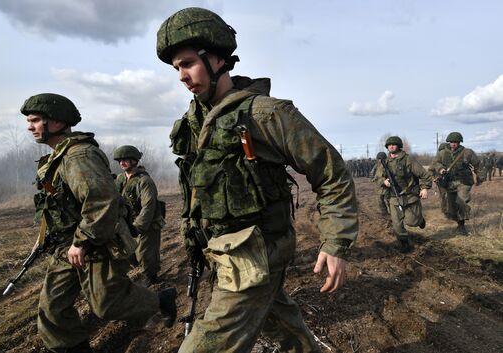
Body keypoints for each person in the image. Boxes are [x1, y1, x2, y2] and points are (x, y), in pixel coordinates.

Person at [156, 7, 358, 353]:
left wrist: (335, 243)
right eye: (176, 68)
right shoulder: (193, 123)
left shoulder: (264, 114)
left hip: (259, 252)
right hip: (225, 253)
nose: (181, 76)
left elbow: (331, 173)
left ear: (217, 59)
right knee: (280, 322)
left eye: (188, 63)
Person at [21, 93, 176, 353]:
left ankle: (160, 300)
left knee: (106, 305)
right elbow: (57, 205)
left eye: (36, 120)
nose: (30, 126)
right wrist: (44, 236)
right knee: (53, 311)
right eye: (29, 121)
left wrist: (82, 242)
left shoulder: (78, 156)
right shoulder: (57, 159)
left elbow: (101, 201)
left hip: (92, 244)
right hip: (67, 247)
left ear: (57, 122)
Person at [113, 145, 165, 287]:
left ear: (134, 161)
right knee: (129, 253)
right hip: (129, 223)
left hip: (148, 223)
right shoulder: (119, 179)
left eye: (125, 159)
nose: (122, 163)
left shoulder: (144, 181)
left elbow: (148, 206)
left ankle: (152, 278)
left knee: (146, 253)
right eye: (120, 160)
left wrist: (138, 227)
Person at [374, 136, 432, 253]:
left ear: (399, 146)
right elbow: (376, 178)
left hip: (410, 196)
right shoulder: (383, 162)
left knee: (412, 222)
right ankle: (404, 243)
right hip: (394, 197)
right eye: (389, 145)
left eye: (394, 144)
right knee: (397, 224)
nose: (391, 146)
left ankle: (420, 220)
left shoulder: (408, 160)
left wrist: (424, 188)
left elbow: (425, 175)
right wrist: (383, 181)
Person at [433, 132, 485, 235]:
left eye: (456, 142)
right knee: (451, 208)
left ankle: (462, 225)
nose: (453, 144)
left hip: (464, 181)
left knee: (461, 201)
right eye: (452, 142)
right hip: (449, 182)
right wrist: (441, 169)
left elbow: (478, 165)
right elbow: (436, 163)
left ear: (459, 142)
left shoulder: (467, 153)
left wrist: (480, 177)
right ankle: (458, 222)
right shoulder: (442, 153)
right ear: (449, 142)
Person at [428, 143, 450, 219]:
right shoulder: (436, 160)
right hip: (441, 181)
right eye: (442, 150)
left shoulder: (451, 158)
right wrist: (434, 178)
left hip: (452, 180)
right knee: (444, 196)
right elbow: (430, 170)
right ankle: (445, 212)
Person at [370, 152, 390, 219]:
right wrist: (379, 181)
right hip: (379, 187)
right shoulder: (376, 166)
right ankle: (385, 214)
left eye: (382, 159)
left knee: (389, 200)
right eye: (379, 159)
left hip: (389, 187)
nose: (380, 161)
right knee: (380, 201)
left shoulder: (389, 165)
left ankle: (393, 214)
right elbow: (371, 176)